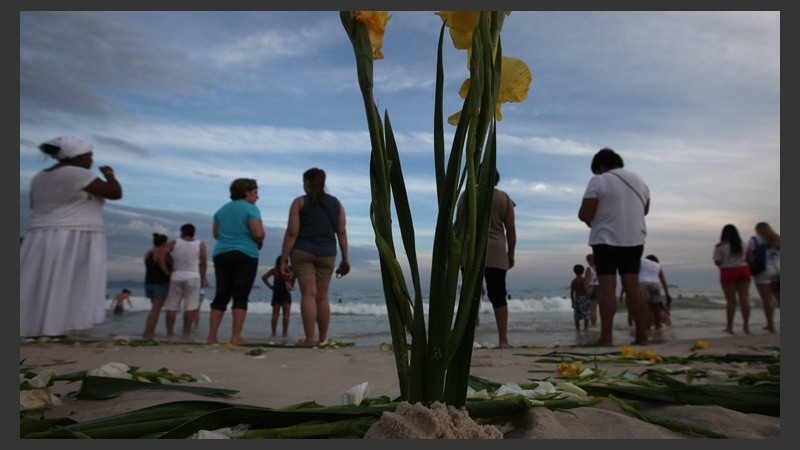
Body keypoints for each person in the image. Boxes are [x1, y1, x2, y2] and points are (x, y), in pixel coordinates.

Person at [20, 136, 123, 338]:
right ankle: (56, 327)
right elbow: (114, 192)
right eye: (89, 156)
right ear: (77, 157)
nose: (91, 160)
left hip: (41, 234)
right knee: (67, 280)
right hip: (70, 234)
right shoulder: (76, 173)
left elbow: (36, 204)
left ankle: (38, 326)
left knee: (42, 281)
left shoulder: (41, 176)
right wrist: (110, 175)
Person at [578, 147, 650, 346]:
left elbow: (584, 213)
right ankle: (642, 336)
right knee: (633, 285)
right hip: (634, 239)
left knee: (607, 286)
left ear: (600, 166)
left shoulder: (599, 180)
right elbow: (645, 209)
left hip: (605, 239)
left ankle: (606, 337)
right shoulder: (639, 181)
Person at [280, 168, 349, 346]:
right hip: (327, 253)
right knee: (322, 296)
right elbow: (341, 232)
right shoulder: (336, 204)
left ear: (307, 183)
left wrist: (283, 259)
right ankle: (323, 339)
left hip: (303, 252)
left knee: (309, 295)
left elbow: (292, 232)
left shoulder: (299, 202)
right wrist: (345, 258)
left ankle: (310, 339)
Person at [456, 168, 516, 348]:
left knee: (469, 295)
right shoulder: (504, 198)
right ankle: (503, 340)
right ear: (496, 179)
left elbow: (458, 225)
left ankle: (466, 341)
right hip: (496, 250)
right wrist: (511, 253)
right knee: (498, 295)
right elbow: (510, 228)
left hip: (470, 248)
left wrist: (453, 251)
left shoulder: (467, 196)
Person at [206, 178, 265, 345]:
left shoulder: (221, 210)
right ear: (246, 192)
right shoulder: (251, 209)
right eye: (255, 192)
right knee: (240, 294)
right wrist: (260, 238)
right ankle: (236, 336)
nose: (257, 197)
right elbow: (257, 233)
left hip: (221, 253)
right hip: (245, 253)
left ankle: (211, 337)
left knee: (221, 293)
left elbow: (216, 234)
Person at [163, 223, 208, 340]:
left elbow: (163, 254)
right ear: (194, 232)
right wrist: (203, 276)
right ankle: (186, 333)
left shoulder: (174, 243)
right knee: (190, 306)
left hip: (176, 275)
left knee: (172, 306)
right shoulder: (200, 244)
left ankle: (170, 333)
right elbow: (203, 262)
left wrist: (167, 269)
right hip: (193, 276)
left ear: (182, 232)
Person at [713, 224, 751, 335]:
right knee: (744, 299)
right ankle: (746, 326)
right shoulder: (744, 244)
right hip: (743, 270)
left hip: (728, 271)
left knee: (731, 301)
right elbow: (749, 259)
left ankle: (730, 327)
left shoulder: (720, 246)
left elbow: (717, 262)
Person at [746, 222, 780, 333]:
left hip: (762, 271)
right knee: (779, 297)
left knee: (767, 299)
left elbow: (750, 258)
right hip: (778, 270)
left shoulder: (754, 240)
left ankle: (771, 325)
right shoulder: (778, 238)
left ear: (757, 230)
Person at [142, 233, 172, 340]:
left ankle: (149, 332)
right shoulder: (160, 253)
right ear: (164, 243)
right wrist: (170, 273)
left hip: (148, 283)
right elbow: (163, 267)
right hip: (160, 284)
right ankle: (148, 333)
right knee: (155, 311)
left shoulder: (148, 253)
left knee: (154, 309)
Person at [262, 255, 296, 338]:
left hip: (276, 293)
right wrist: (291, 284)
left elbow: (264, 277)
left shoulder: (275, 270)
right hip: (286, 293)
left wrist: (270, 286)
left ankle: (273, 333)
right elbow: (295, 275)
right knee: (286, 316)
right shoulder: (290, 269)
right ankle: (285, 333)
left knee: (275, 315)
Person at [637, 255, 672, 330]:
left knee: (647, 306)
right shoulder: (657, 266)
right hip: (655, 284)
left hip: (643, 283)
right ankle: (658, 326)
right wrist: (667, 295)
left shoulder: (642, 264)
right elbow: (663, 282)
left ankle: (647, 326)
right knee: (656, 305)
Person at [569, 264, 591, 331]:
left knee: (577, 316)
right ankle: (585, 329)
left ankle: (577, 330)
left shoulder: (573, 281)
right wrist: (588, 298)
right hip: (584, 298)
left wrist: (572, 302)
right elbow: (585, 289)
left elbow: (572, 293)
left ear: (574, 272)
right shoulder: (584, 280)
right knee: (586, 316)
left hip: (577, 299)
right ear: (583, 271)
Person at [583, 253, 600, 326]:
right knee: (595, 309)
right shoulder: (599, 268)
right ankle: (594, 324)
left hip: (591, 288)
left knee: (591, 309)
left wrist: (586, 290)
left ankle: (592, 325)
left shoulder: (589, 269)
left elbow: (586, 281)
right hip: (598, 288)